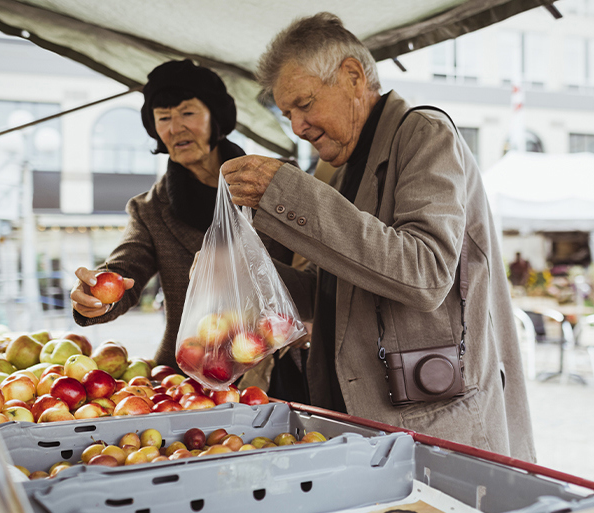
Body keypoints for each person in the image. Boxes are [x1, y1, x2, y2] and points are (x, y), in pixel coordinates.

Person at [220, 13, 534, 461]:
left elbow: (425, 273)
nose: (297, 127)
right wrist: (247, 270)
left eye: (304, 104)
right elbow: (336, 297)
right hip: (364, 425)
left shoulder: (426, 135)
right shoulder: (344, 168)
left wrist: (289, 193)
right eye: (288, 114)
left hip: (434, 430)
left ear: (353, 76)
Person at [70, 59, 291, 369]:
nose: (175, 128)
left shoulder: (275, 183)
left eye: (188, 113)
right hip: (187, 374)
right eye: (163, 118)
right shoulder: (149, 209)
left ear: (216, 117)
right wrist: (96, 294)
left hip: (274, 368)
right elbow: (124, 269)